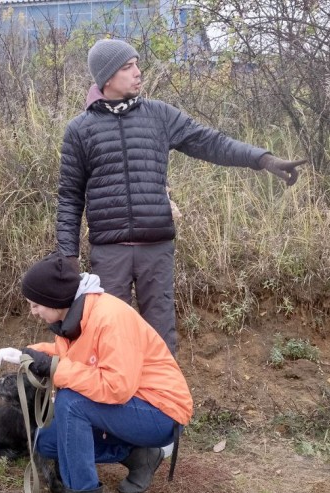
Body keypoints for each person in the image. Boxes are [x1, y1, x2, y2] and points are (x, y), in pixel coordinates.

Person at [56, 39, 307, 355]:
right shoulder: (80, 130)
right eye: (127, 67)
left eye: (137, 64)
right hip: (109, 254)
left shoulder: (159, 115)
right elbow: (69, 197)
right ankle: (118, 403)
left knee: (160, 342)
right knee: (111, 340)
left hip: (156, 249)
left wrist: (264, 159)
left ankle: (165, 404)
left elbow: (211, 142)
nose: (138, 72)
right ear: (107, 78)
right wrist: (66, 254)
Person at [0, 253, 193, 493]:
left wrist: (54, 368)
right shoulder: (72, 318)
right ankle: (139, 456)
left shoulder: (109, 318)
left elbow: (116, 387)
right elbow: (78, 357)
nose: (33, 311)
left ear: (54, 299)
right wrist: (31, 354)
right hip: (130, 407)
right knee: (47, 441)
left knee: (71, 403)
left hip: (161, 412)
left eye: (36, 304)